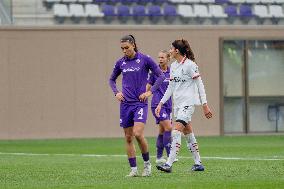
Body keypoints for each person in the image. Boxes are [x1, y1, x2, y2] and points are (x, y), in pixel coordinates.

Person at [109, 35, 165, 177]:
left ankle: (147, 165)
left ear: (133, 45)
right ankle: (133, 169)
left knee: (138, 134)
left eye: (126, 48)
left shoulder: (145, 59)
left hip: (140, 104)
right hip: (125, 104)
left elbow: (160, 76)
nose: (124, 51)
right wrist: (116, 92)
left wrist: (149, 92)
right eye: (122, 48)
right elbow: (111, 80)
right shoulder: (120, 63)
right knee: (128, 137)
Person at [155, 39, 213, 173]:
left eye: (171, 48)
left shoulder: (190, 65)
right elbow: (171, 87)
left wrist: (204, 104)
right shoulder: (174, 66)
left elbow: (200, 85)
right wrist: (161, 103)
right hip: (178, 105)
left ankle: (168, 164)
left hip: (188, 103)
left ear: (176, 50)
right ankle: (198, 163)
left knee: (176, 131)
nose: (169, 50)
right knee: (188, 133)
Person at [146, 50, 174, 165]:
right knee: (169, 127)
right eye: (159, 57)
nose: (160, 59)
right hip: (157, 104)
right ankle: (170, 156)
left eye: (162, 57)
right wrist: (144, 95)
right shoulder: (154, 72)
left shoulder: (172, 71)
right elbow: (148, 86)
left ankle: (158, 157)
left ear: (168, 59)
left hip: (168, 105)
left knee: (162, 130)